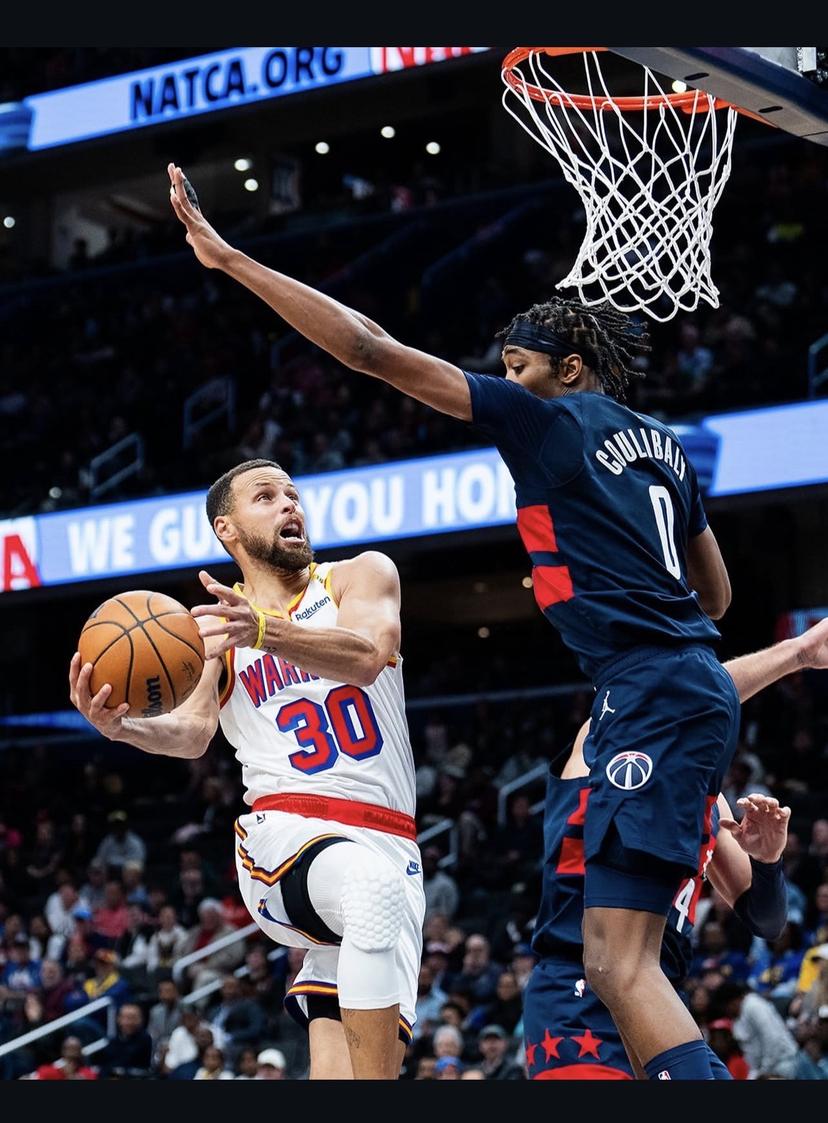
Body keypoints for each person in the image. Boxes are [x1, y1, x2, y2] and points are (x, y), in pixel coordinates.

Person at [167, 161, 738, 1079]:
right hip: (695, 681)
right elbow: (714, 596)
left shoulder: (545, 421)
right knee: (621, 959)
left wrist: (233, 260)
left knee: (617, 964)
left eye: (516, 367)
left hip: (648, 688)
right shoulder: (663, 444)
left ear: (567, 370)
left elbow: (367, 348)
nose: (503, 380)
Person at [69, 458, 425, 1080]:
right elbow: (193, 733)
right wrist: (122, 727)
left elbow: (369, 656)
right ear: (227, 529)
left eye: (292, 492)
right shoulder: (212, 631)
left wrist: (261, 629)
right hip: (287, 834)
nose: (290, 504)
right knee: (370, 890)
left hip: (393, 843)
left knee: (353, 1059)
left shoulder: (358, 576)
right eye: (267, 496)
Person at [522, 619, 828, 1078]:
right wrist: (798, 653)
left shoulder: (709, 802)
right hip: (578, 996)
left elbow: (767, 920)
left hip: (657, 997)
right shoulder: (603, 742)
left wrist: (768, 861)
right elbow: (678, 696)